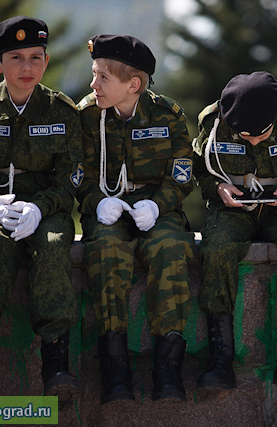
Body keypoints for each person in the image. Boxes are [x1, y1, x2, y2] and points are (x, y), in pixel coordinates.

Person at [0, 16, 84, 402]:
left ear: (46, 61)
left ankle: (56, 364)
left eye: (36, 57)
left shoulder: (61, 112)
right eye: (17, 58)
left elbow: (71, 177)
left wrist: (39, 209)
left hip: (46, 208)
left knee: (54, 245)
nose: (27, 67)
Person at [192, 71, 277, 391]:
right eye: (244, 135)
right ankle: (220, 358)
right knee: (217, 247)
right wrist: (218, 189)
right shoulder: (213, 122)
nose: (253, 141)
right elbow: (199, 168)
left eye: (262, 133)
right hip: (232, 209)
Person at [76, 34, 194, 404]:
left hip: (156, 207)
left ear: (133, 85)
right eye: (93, 75)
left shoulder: (167, 115)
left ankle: (168, 369)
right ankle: (115, 370)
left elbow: (182, 173)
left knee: (171, 247)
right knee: (105, 249)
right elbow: (75, 174)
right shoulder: (86, 116)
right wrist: (97, 202)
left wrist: (158, 205)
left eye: (102, 77)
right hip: (107, 206)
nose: (93, 85)